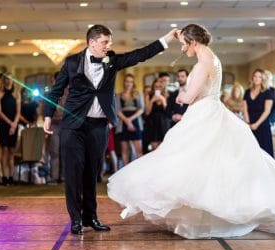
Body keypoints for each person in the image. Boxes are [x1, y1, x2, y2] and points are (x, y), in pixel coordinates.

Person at [108, 27, 275, 237]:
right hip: (210, 109)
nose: (183, 48)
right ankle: (203, 217)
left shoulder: (204, 61)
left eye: (184, 44)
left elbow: (190, 96)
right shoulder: (211, 58)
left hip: (204, 112)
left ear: (193, 42)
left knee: (194, 162)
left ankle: (203, 217)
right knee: (206, 164)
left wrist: (180, 97)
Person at [43, 24, 178, 234]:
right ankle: (76, 219)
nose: (109, 45)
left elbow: (140, 55)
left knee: (92, 174)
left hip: (98, 127)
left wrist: (167, 39)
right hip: (73, 126)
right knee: (73, 173)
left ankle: (91, 217)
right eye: (105, 42)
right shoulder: (71, 63)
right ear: (92, 42)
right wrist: (47, 116)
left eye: (110, 41)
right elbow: (55, 91)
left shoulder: (112, 60)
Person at [0, 75, 21, 185]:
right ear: (3, 80)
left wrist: (14, 124)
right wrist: (10, 123)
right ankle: (4, 177)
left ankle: (11, 177)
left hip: (14, 125)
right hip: (3, 125)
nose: (8, 80)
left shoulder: (17, 94)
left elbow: (18, 112)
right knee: (4, 151)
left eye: (10, 78)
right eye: (6, 78)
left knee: (12, 152)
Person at [244, 69, 275, 156]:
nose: (257, 78)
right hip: (249, 125)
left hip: (262, 125)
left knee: (264, 152)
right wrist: (248, 123)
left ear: (262, 79)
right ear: (252, 78)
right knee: (250, 153)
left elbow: (267, 111)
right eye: (255, 76)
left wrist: (256, 124)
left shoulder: (267, 92)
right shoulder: (247, 92)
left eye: (259, 77)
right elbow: (245, 109)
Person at [115, 73, 144, 165]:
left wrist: (130, 119)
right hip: (122, 123)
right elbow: (117, 110)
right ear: (124, 83)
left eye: (131, 82)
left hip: (135, 121)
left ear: (133, 83)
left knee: (139, 150)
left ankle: (139, 171)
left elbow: (141, 109)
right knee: (124, 151)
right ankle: (125, 174)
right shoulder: (118, 96)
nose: (128, 83)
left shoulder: (138, 94)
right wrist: (126, 120)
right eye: (127, 81)